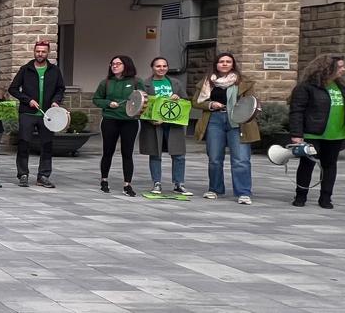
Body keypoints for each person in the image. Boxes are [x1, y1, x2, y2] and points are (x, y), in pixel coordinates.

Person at [289, 54, 345, 209]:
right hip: (313, 133)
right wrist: (296, 134)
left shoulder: (342, 88)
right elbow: (296, 111)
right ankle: (301, 196)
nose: (343, 69)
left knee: (330, 165)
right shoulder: (306, 87)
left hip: (336, 134)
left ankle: (326, 198)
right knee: (307, 165)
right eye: (340, 67)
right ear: (327, 68)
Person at [192, 52, 260, 205]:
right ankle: (215, 189)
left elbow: (251, 103)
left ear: (233, 64)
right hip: (215, 119)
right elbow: (196, 102)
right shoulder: (207, 82)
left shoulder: (243, 82)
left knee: (241, 159)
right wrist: (210, 104)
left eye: (228, 61)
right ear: (216, 64)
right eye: (221, 61)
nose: (224, 64)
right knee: (215, 158)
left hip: (238, 122)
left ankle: (243, 192)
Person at [8, 40, 65, 188]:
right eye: (38, 51)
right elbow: (13, 89)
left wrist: (55, 101)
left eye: (43, 51)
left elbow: (60, 89)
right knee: (23, 144)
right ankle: (23, 174)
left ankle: (43, 176)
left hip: (47, 114)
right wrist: (28, 100)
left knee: (47, 145)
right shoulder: (25, 69)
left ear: (48, 53)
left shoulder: (54, 70)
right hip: (28, 113)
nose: (40, 54)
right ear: (34, 51)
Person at [92, 55, 145, 196]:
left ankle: (127, 184)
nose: (114, 66)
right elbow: (96, 99)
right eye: (112, 64)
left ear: (126, 65)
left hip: (130, 121)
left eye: (118, 64)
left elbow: (143, 98)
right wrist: (108, 103)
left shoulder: (136, 82)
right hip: (110, 119)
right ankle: (104, 180)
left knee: (127, 153)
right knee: (107, 151)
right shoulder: (106, 83)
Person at [139, 57, 188, 196]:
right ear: (152, 67)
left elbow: (186, 101)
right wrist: (152, 120)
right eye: (158, 66)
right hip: (154, 125)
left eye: (164, 66)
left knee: (179, 155)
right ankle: (157, 183)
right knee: (155, 154)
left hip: (174, 124)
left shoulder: (176, 83)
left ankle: (179, 183)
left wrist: (178, 98)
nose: (161, 68)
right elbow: (140, 105)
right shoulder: (145, 84)